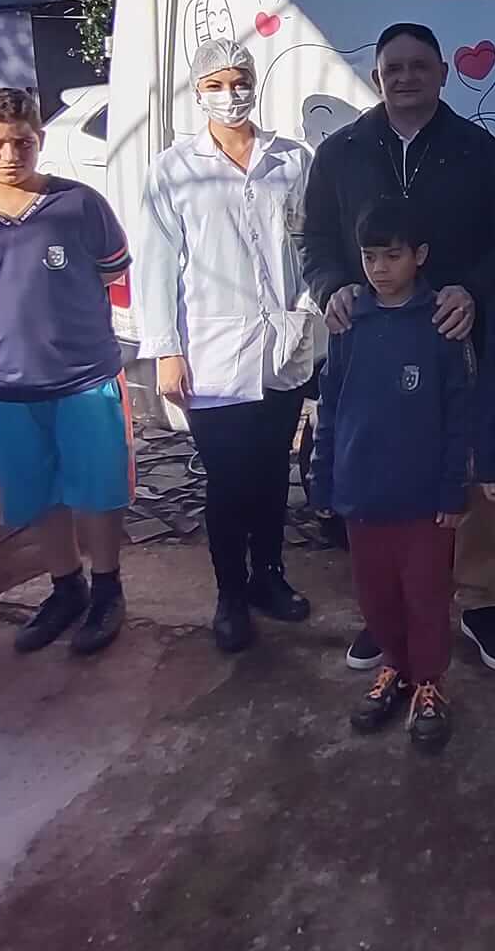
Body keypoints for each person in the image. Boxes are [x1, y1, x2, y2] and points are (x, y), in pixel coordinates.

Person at [297, 22, 495, 674]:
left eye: (418, 66)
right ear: (376, 77)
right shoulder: (341, 152)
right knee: (377, 459)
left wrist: (473, 291)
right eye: (392, 67)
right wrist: (331, 287)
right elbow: (312, 237)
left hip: (455, 337)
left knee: (468, 467)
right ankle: (385, 611)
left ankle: (479, 601)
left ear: (443, 73)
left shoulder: (476, 150)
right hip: (367, 340)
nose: (405, 77)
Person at [0, 86, 134, 656]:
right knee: (38, 494)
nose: (9, 155)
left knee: (98, 490)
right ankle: (64, 587)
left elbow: (111, 272)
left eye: (22, 142)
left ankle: (107, 589)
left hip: (85, 379)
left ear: (40, 140)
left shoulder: (80, 205)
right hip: (3, 385)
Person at [136, 38, 321, 655]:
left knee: (272, 473)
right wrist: (165, 347)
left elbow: (312, 245)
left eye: (238, 78)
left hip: (282, 346)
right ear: (197, 93)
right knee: (228, 479)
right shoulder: (174, 167)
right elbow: (158, 263)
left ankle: (270, 577)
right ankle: (230, 593)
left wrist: (310, 312)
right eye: (214, 83)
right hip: (209, 351)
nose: (230, 92)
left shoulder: (294, 159)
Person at [311, 198, 478, 753]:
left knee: (426, 597)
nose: (380, 268)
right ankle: (394, 669)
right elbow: (329, 406)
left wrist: (454, 488)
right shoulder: (348, 321)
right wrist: (324, 475)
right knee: (376, 596)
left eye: (393, 255)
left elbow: (459, 415)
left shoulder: (441, 324)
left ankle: (429, 684)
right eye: (369, 256)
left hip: (425, 503)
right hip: (362, 495)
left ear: (419, 256)